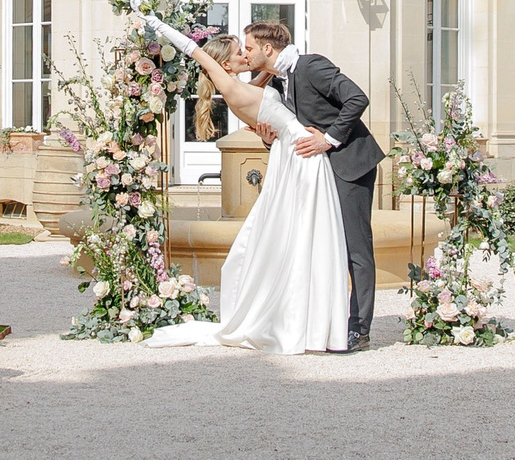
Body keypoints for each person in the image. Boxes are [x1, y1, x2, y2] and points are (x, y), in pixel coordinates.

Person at [142, 21, 348, 354]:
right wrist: (156, 23)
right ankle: (306, 322)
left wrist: (280, 50)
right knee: (308, 232)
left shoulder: (246, 86)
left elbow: (273, 70)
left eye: (247, 49)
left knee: (299, 233)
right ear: (225, 64)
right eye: (241, 51)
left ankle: (307, 319)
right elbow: (194, 51)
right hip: (303, 154)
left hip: (291, 152)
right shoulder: (229, 86)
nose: (246, 55)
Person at [238, 19, 380, 349]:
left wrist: (328, 139)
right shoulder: (277, 83)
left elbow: (357, 99)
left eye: (249, 48)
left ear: (267, 48)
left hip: (349, 164)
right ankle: (324, 324)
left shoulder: (311, 65)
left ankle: (359, 329)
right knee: (321, 245)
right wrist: (268, 139)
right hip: (315, 173)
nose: (245, 55)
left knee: (355, 248)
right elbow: (293, 130)